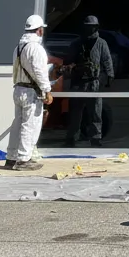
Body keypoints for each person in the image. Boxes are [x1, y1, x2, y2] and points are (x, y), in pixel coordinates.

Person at [6, 14, 52, 170]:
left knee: (17, 124)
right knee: (29, 125)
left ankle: (11, 158)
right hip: (30, 92)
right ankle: (23, 160)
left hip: (18, 89)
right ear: (39, 30)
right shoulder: (36, 49)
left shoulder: (18, 48)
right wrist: (47, 90)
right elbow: (40, 72)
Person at [63, 15, 114, 148]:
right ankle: (72, 138)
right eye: (87, 27)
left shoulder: (101, 43)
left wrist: (109, 76)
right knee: (75, 113)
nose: (89, 29)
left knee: (96, 113)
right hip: (78, 82)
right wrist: (72, 67)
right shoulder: (76, 43)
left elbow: (107, 60)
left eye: (92, 27)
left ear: (96, 27)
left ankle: (95, 138)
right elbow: (67, 62)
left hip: (94, 83)